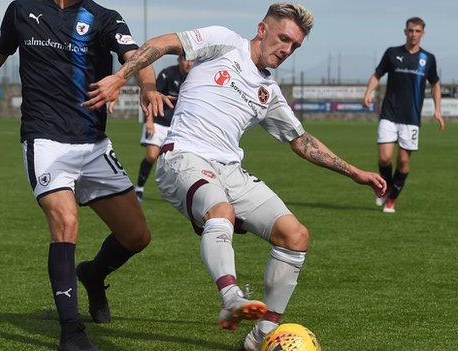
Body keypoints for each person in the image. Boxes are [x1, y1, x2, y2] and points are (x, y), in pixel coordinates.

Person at [84, 3, 387, 350]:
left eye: (295, 46)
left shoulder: (269, 93)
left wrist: (354, 172)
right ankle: (231, 297)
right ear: (262, 29)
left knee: (296, 235)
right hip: (183, 156)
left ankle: (259, 337)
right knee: (221, 210)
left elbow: (301, 141)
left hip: (231, 170)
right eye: (283, 38)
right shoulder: (225, 42)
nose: (286, 49)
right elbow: (164, 42)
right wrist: (123, 78)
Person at [0, 1, 170, 350]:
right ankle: (72, 332)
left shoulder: (104, 17)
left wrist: (147, 86)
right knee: (65, 223)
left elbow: (137, 55)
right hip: (45, 140)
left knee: (137, 236)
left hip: (94, 145)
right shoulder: (22, 10)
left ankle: (93, 274)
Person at [363, 17, 444, 213]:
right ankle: (387, 188)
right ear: (405, 32)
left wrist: (438, 109)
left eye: (417, 31)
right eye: (410, 30)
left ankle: (392, 199)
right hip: (389, 113)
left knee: (404, 162)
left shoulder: (428, 58)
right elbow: (377, 75)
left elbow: (435, 84)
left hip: (411, 118)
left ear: (422, 33)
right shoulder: (392, 53)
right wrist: (368, 92)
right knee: (384, 159)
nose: (413, 34)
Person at [135, 55, 192, 202]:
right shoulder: (167, 74)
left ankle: (177, 194)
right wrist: (149, 121)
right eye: (186, 60)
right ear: (179, 60)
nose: (189, 63)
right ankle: (139, 188)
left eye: (192, 60)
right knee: (152, 157)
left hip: (178, 127)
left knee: (177, 163)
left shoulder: (194, 79)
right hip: (158, 122)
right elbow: (150, 97)